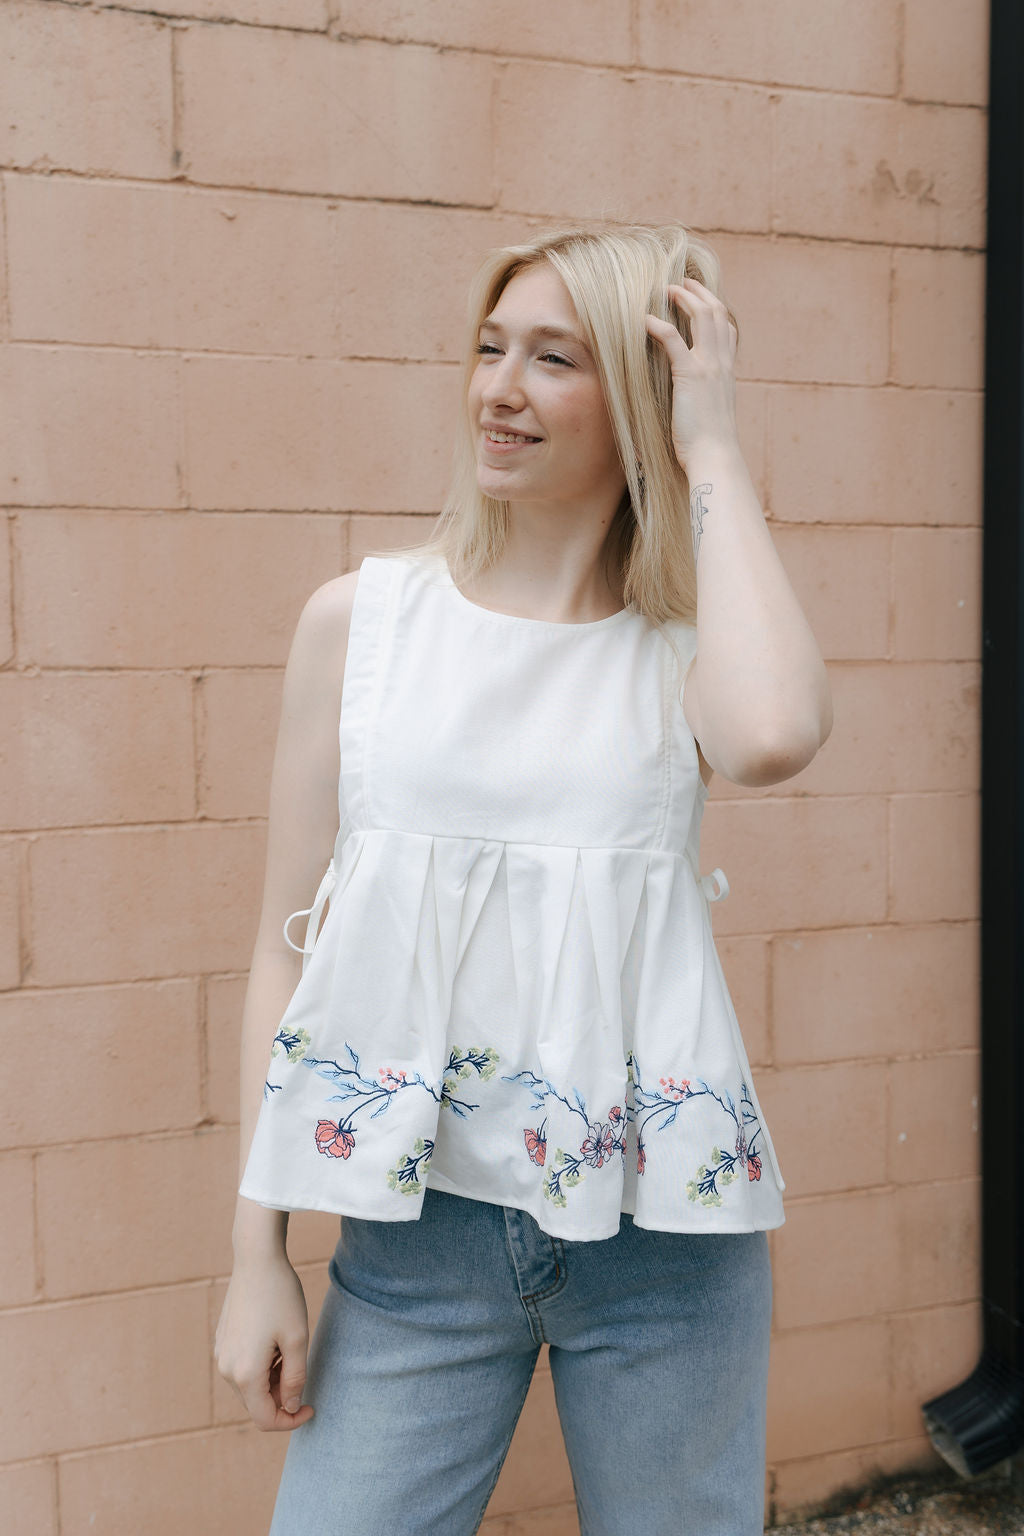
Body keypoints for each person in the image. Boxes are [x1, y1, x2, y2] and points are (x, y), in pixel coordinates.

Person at [215, 221, 833, 1536]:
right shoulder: (361, 626)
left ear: (641, 400)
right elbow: (285, 950)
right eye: (489, 348)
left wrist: (714, 447)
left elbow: (776, 734)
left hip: (668, 1239)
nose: (499, 389)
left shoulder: (687, 652)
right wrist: (256, 1251)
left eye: (554, 358)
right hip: (417, 1240)